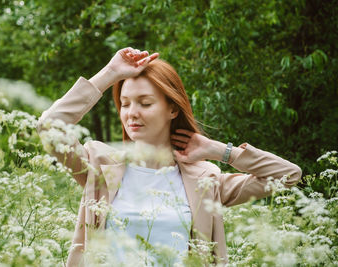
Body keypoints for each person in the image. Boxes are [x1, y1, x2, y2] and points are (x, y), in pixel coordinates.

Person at [37, 47, 302, 266]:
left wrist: (220, 151)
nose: (131, 113)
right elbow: (48, 125)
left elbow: (288, 175)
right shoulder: (99, 166)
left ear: (172, 109)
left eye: (145, 103)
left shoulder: (205, 181)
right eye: (125, 103)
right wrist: (110, 73)